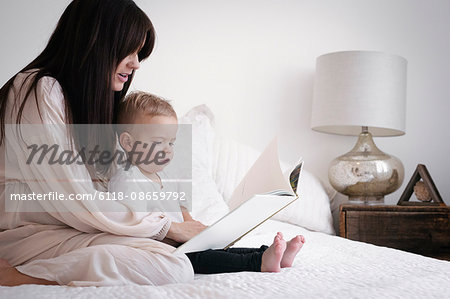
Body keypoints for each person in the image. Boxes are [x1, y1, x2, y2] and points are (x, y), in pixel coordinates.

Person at [0, 0, 200, 287]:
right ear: (95, 43)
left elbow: (101, 193)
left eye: (139, 53)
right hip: (27, 234)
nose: (136, 63)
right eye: (129, 50)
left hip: (66, 227)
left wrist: (168, 224)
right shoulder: (39, 88)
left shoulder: (90, 106)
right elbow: (76, 199)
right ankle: (18, 277)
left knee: (172, 257)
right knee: (172, 265)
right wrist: (166, 226)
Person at [110, 91, 306, 274]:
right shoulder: (127, 179)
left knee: (219, 248)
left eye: (171, 143)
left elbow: (180, 208)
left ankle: (270, 253)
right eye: (158, 142)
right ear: (128, 143)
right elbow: (136, 223)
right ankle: (258, 262)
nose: (167, 150)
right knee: (202, 258)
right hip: (161, 249)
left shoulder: (166, 177)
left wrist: (193, 225)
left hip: (182, 242)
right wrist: (179, 234)